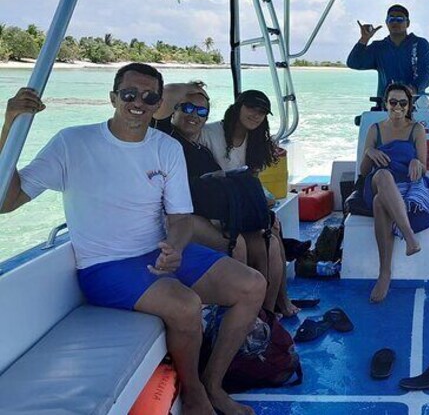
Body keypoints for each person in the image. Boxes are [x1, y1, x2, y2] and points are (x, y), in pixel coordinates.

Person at [0, 63, 265, 415]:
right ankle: (195, 392)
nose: (138, 102)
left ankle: (214, 385)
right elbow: (7, 201)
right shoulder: (72, 142)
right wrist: (9, 125)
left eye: (149, 96)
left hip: (157, 252)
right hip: (105, 267)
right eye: (129, 94)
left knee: (251, 285)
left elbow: (181, 218)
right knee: (185, 304)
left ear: (159, 105)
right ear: (113, 97)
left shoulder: (165, 148)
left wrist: (176, 246)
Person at [153, 85, 299, 317]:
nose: (194, 115)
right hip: (188, 216)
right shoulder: (163, 136)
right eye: (188, 108)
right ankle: (245, 310)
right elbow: (168, 94)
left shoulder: (201, 150)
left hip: (217, 213)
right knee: (241, 242)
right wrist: (195, 87)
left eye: (201, 112)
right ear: (174, 110)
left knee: (269, 239)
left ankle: (267, 313)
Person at [357, 83, 429, 302]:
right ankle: (410, 237)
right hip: (377, 181)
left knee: (382, 202)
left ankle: (384, 274)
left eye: (402, 103)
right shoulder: (375, 129)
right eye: (393, 102)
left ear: (409, 106)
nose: (397, 106)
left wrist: (417, 162)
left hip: (404, 183)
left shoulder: (416, 129)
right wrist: (370, 152)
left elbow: (424, 165)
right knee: (382, 176)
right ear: (385, 104)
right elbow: (363, 172)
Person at [347, 4, 429, 98]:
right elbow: (353, 63)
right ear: (386, 22)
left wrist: (411, 90)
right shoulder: (378, 47)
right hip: (385, 106)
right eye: (391, 19)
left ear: (408, 23)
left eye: (400, 19)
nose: (395, 22)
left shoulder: (420, 44)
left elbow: (427, 76)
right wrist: (364, 39)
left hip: (416, 105)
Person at [198, 89, 278, 173]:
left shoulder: (257, 142)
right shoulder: (206, 133)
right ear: (238, 107)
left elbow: (253, 176)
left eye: (262, 112)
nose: (256, 115)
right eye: (251, 108)